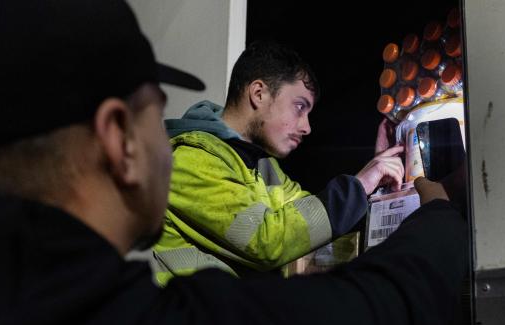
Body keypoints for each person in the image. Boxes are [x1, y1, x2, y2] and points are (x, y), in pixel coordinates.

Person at [0, 1, 469, 325]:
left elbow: (314, 237)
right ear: (120, 141)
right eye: (155, 112)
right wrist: (439, 212)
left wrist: (380, 204)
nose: (168, 133)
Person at [153, 41, 405, 285]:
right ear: (259, 93)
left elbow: (310, 237)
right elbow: (266, 242)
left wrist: (379, 190)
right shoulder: (189, 162)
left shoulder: (263, 167)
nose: (307, 127)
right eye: (299, 106)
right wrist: (358, 186)